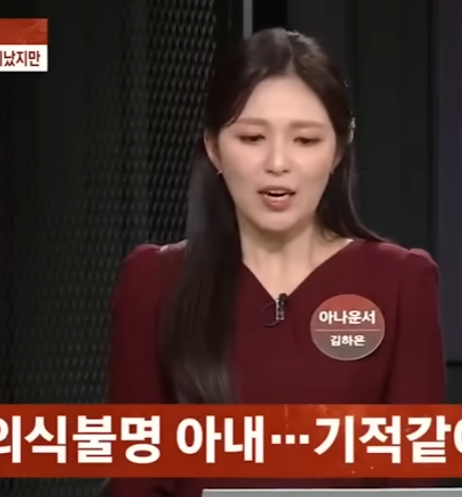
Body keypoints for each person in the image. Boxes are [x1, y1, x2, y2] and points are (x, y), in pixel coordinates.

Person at [110, 28, 444, 497]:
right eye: (252, 137)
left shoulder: (401, 282)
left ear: (338, 150)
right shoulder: (154, 282)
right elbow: (136, 477)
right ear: (213, 147)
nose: (278, 162)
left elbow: (414, 476)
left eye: (305, 140)